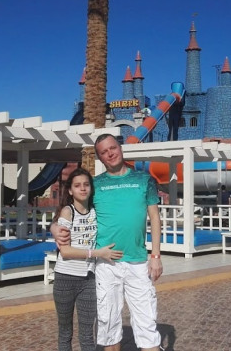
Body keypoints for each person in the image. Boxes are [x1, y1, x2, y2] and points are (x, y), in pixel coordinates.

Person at [54, 134, 163, 351]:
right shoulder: (95, 185)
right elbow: (72, 208)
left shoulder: (145, 180)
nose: (110, 154)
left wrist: (156, 256)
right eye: (104, 152)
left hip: (138, 262)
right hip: (106, 265)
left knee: (147, 324)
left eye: (112, 148)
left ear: (120, 148)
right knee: (108, 325)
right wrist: (54, 227)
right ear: (100, 158)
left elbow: (155, 218)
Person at [52, 168, 122, 351]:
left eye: (86, 185)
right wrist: (98, 253)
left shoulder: (95, 211)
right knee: (65, 331)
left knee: (87, 333)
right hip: (65, 278)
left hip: (89, 280)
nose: (82, 188)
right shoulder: (68, 212)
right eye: (77, 185)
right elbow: (65, 252)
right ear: (70, 190)